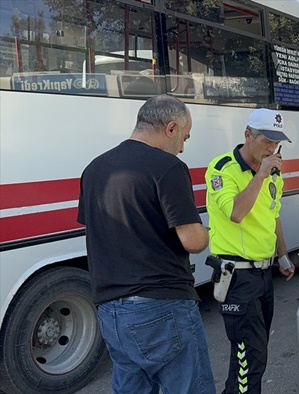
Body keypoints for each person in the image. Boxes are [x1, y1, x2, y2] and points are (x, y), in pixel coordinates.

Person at [77, 95, 216, 393]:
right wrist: (207, 233)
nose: (182, 146)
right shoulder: (168, 167)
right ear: (170, 128)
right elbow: (192, 240)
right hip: (160, 306)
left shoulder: (94, 169)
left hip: (110, 310)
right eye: (184, 137)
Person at [205, 108, 295, 394]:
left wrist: (283, 255)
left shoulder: (272, 174)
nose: (272, 149)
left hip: (263, 275)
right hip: (237, 277)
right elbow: (236, 212)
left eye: (277, 143)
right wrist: (262, 174)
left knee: (252, 354)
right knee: (250, 358)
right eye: (267, 141)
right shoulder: (222, 168)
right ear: (248, 135)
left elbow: (273, 215)